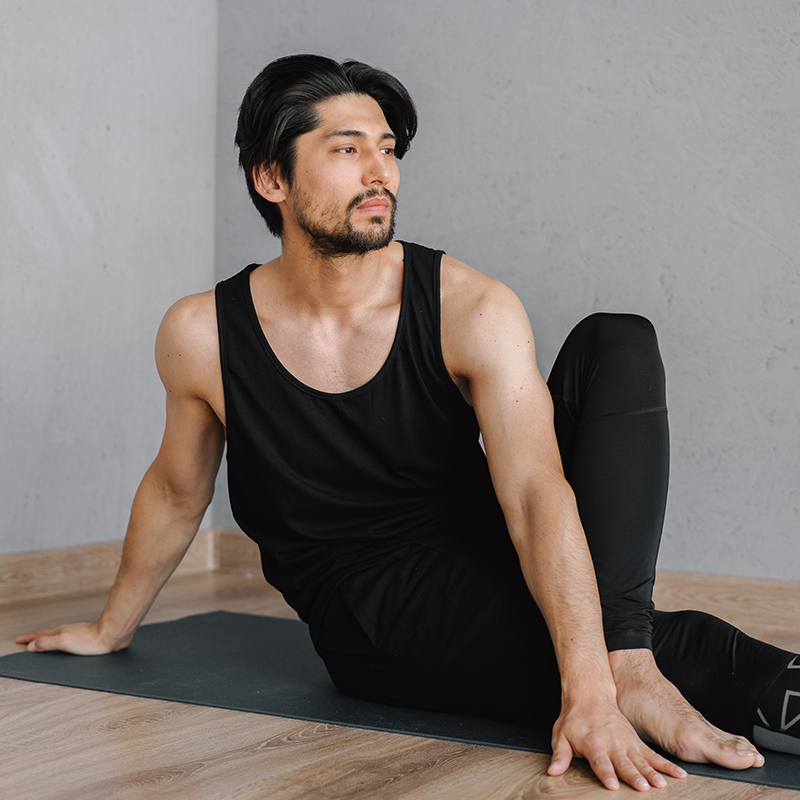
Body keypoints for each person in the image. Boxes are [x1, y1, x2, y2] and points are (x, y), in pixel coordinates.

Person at [17, 54, 800, 792]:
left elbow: (535, 492)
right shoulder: (203, 335)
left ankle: (629, 659)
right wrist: (112, 627)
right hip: (377, 620)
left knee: (618, 342)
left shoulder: (468, 306)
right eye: (347, 149)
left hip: (494, 554)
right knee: (669, 651)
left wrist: (604, 676)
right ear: (271, 178)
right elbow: (175, 491)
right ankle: (639, 664)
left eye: (387, 149)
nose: (380, 171)